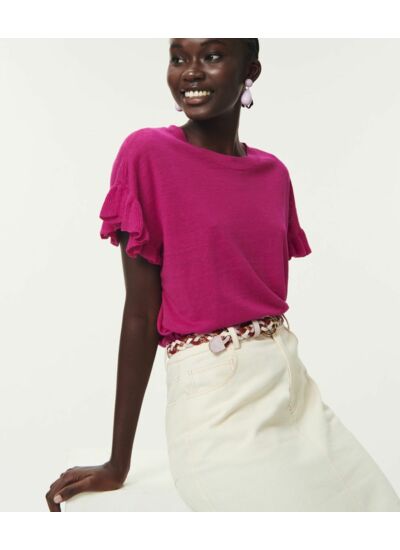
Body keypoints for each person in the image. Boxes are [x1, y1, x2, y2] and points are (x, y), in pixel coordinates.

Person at [46, 38, 400, 512]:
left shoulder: (274, 174)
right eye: (178, 58)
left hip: (292, 388)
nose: (190, 72)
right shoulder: (147, 154)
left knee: (381, 511)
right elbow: (141, 312)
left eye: (211, 56)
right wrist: (118, 462)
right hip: (215, 401)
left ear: (250, 71)